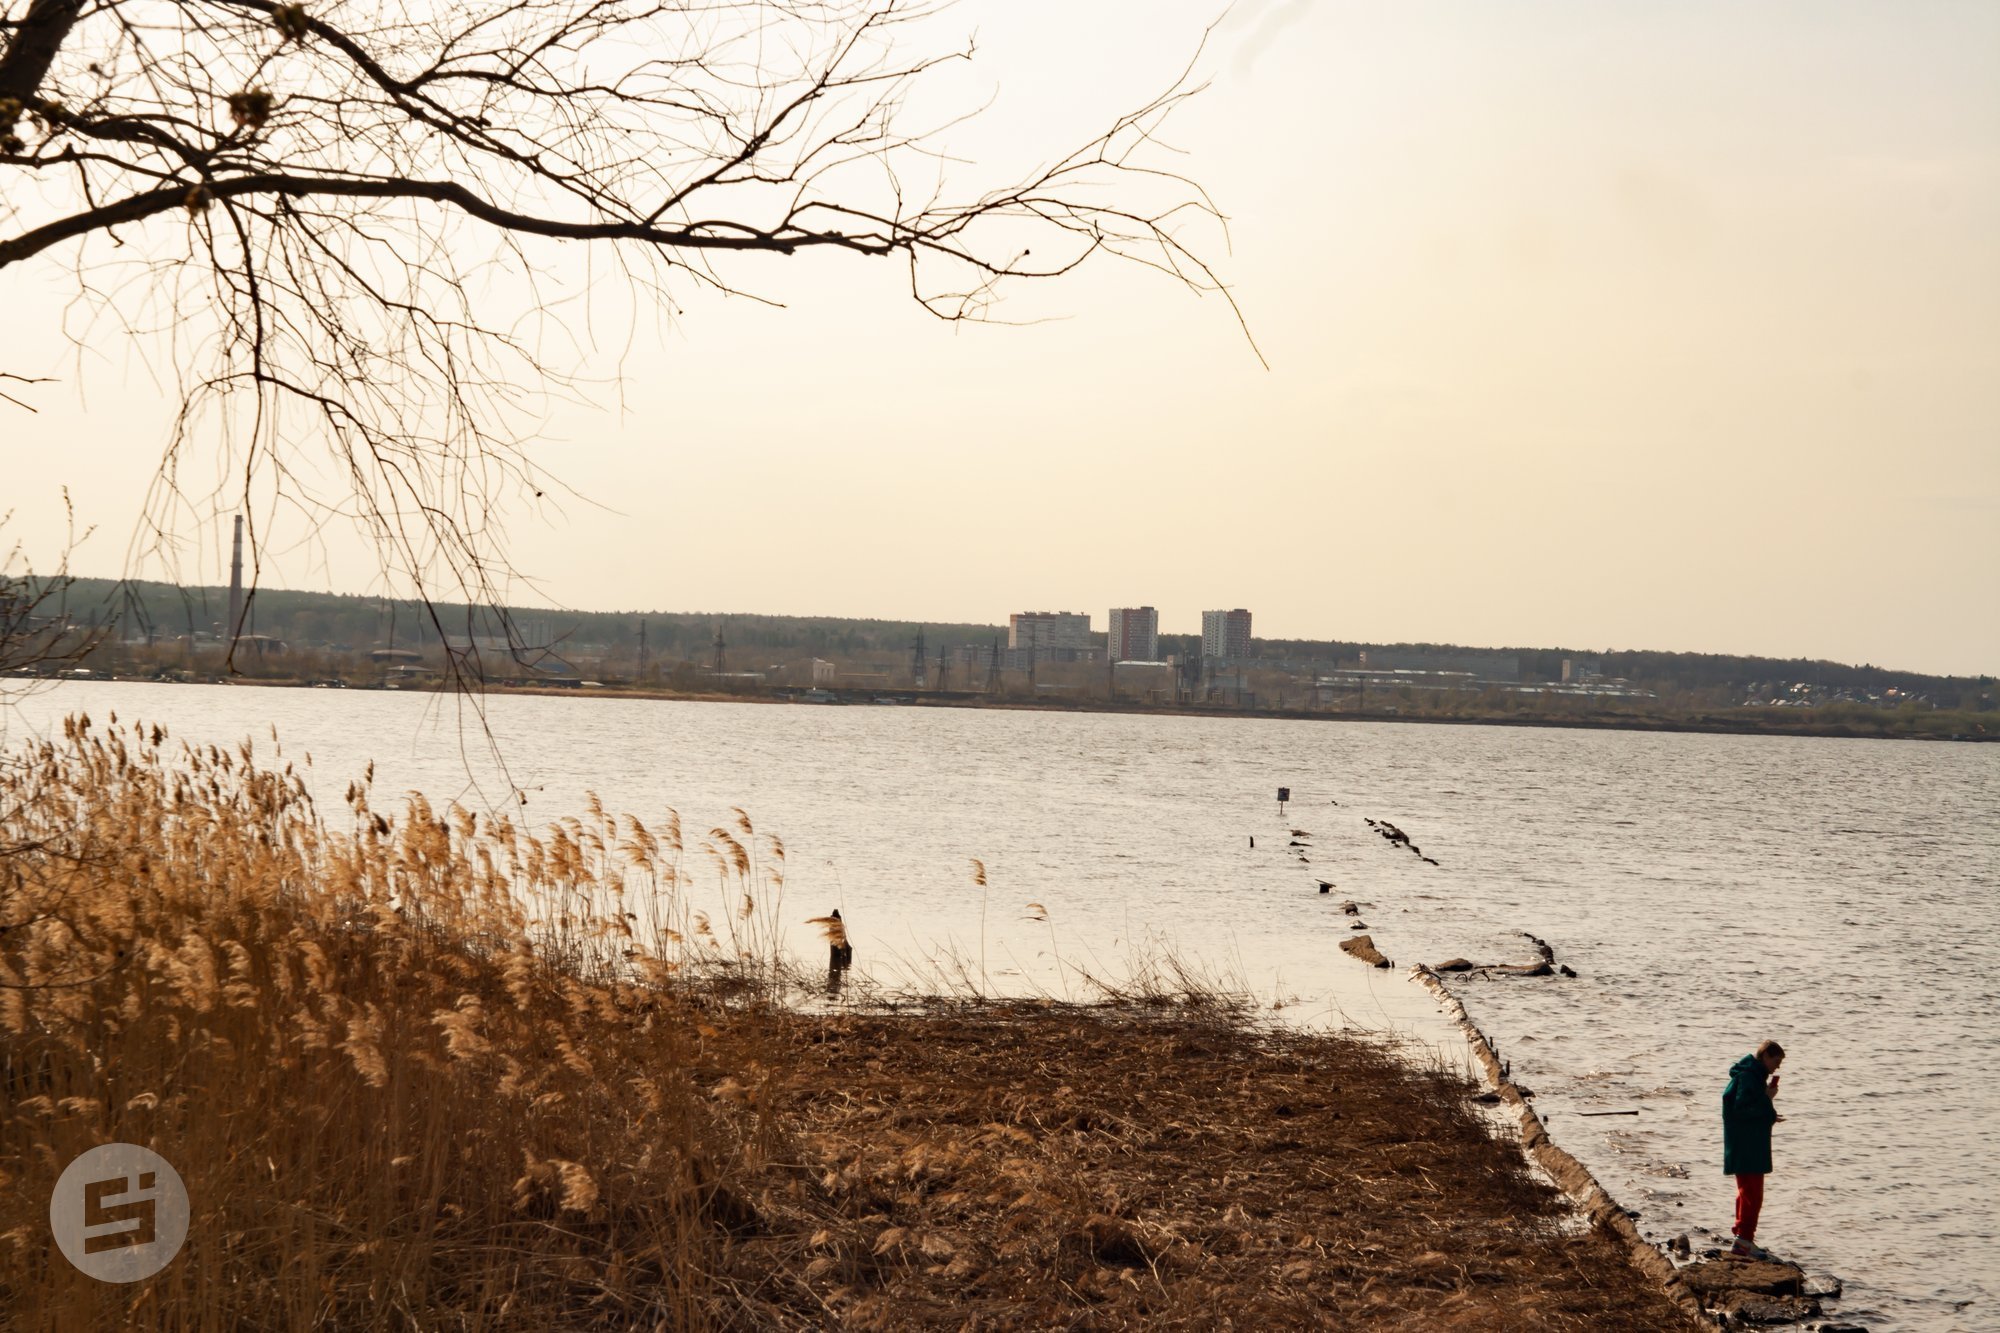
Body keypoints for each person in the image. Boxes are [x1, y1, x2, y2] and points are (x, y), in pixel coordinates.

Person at [1721, 1038, 1786, 1260]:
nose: (1777, 1067)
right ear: (1765, 1056)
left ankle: (1742, 1238)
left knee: (1746, 1193)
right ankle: (1744, 1240)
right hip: (1747, 1146)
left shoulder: (1750, 1076)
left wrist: (1769, 1112)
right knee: (1752, 1195)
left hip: (1743, 1144)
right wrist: (1767, 1099)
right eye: (1776, 1061)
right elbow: (1743, 1109)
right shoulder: (1749, 1077)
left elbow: (1747, 1108)